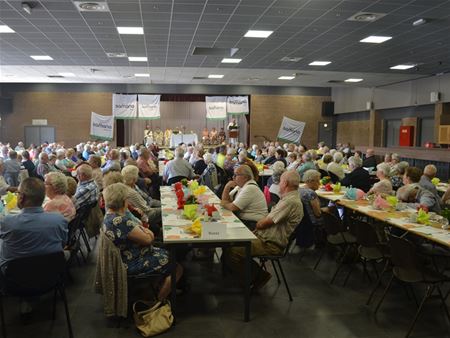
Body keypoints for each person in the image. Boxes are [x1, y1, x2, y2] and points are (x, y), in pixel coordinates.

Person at [102, 183, 182, 301]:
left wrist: (144, 230)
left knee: (168, 251)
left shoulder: (109, 216)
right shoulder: (121, 221)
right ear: (124, 201)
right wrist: (147, 231)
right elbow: (148, 239)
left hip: (124, 257)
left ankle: (154, 290)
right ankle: (156, 302)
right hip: (131, 262)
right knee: (177, 266)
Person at [226, 170, 303, 289]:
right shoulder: (289, 199)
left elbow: (262, 224)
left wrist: (259, 225)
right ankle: (252, 275)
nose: (278, 184)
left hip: (271, 244)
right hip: (266, 238)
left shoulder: (290, 202)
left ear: (285, 183)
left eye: (281, 181)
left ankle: (259, 276)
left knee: (233, 250)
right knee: (232, 244)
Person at [0, 177, 67, 282]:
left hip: (15, 279)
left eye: (18, 193)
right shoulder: (59, 220)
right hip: (51, 274)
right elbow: (63, 244)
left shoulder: (7, 223)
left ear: (21, 197)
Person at [221, 165, 268, 230]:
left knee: (224, 228)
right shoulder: (240, 186)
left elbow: (232, 207)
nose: (233, 177)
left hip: (253, 224)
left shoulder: (250, 188)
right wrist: (227, 187)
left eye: (235, 175)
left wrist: (224, 203)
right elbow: (225, 200)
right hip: (244, 220)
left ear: (245, 177)